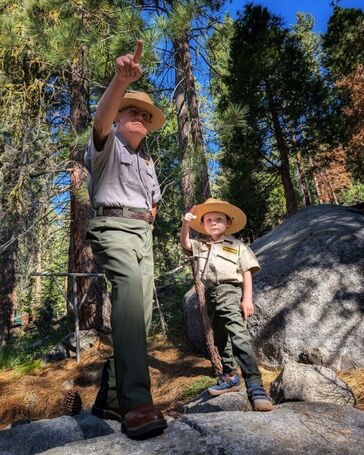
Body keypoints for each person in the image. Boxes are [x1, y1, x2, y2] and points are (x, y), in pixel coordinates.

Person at [84, 40, 168, 438]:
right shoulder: (105, 145)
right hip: (112, 228)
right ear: (119, 119)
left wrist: (150, 217)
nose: (138, 116)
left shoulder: (149, 164)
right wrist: (120, 81)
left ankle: (111, 395)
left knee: (140, 316)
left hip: (143, 235)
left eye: (144, 114)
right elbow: (99, 119)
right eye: (130, 110)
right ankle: (137, 404)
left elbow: (153, 204)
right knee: (130, 295)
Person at [180, 198, 273, 411]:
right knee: (220, 338)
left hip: (231, 291)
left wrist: (247, 298)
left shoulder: (237, 246)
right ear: (203, 224)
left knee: (239, 335)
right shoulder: (201, 245)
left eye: (219, 219)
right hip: (210, 295)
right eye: (209, 219)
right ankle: (230, 377)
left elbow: (247, 271)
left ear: (228, 223)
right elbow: (185, 243)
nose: (213, 223)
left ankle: (255, 384)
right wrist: (186, 224)